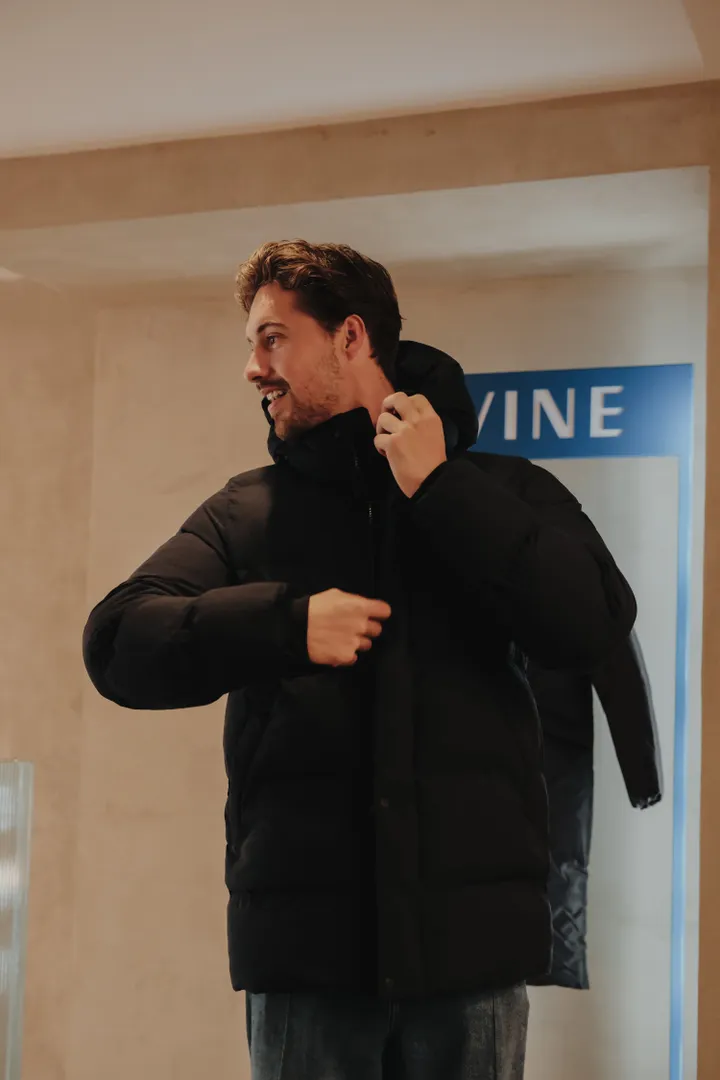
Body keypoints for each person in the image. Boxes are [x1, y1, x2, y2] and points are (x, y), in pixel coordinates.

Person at [82, 241, 637, 1079]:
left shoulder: (506, 491)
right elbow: (118, 642)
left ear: (349, 337)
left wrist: (442, 488)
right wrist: (283, 624)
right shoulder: (246, 511)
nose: (252, 368)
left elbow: (593, 624)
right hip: (307, 969)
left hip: (472, 967)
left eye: (272, 339)